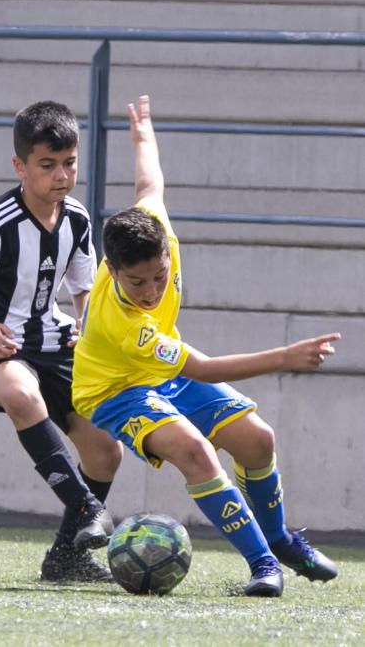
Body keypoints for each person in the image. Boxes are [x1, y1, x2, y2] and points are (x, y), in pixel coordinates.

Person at [72, 94, 340, 597]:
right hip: (112, 391)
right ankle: (265, 566)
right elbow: (208, 367)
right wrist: (286, 357)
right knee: (195, 451)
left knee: (258, 439)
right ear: (111, 272)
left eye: (160, 276)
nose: (152, 290)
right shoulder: (124, 322)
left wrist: (143, 133)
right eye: (138, 283)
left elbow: (150, 185)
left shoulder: (156, 232)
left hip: (160, 371)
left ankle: (281, 538)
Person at [0, 100, 123, 583]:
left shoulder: (77, 219)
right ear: (21, 166)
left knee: (106, 449)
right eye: (47, 165)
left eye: (70, 163)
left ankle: (65, 558)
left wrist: (86, 324)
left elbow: (85, 286)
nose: (61, 175)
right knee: (20, 392)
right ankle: (83, 507)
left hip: (52, 338)